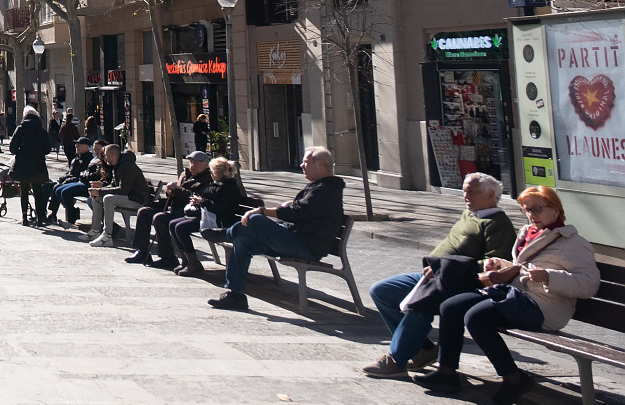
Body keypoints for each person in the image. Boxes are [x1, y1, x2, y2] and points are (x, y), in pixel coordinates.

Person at [418, 186, 600, 404]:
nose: (532, 215)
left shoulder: (573, 242)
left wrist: (548, 276)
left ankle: (514, 379)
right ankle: (446, 373)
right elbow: (520, 267)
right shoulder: (527, 233)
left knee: (476, 317)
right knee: (450, 306)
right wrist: (499, 264)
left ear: (556, 210)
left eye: (538, 209)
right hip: (515, 296)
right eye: (527, 210)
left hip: (544, 307)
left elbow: (589, 284)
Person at [362, 173, 517, 378]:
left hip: (459, 282)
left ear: (490, 195)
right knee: (381, 291)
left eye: (472, 191)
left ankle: (397, 359)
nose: (466, 196)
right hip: (434, 274)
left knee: (421, 303)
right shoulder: (469, 214)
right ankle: (422, 349)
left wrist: (443, 267)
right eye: (464, 191)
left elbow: (494, 266)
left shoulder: (498, 224)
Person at [209, 147, 344, 311]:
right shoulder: (320, 187)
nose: (301, 165)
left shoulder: (327, 190)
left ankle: (226, 233)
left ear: (320, 164)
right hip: (296, 240)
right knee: (243, 241)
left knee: (256, 219)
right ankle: (236, 296)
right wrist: (289, 205)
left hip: (306, 247)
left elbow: (298, 211)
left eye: (306, 162)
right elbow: (302, 210)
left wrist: (263, 211)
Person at [127, 151, 212, 266]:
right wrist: (170, 192)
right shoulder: (185, 174)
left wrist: (177, 190)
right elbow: (176, 193)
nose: (193, 165)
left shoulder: (207, 179)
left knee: (160, 218)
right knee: (144, 212)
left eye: (197, 163)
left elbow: (196, 197)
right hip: (174, 207)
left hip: (188, 212)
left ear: (206, 164)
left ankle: (167, 257)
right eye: (192, 162)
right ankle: (142, 251)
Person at [86, 142, 152, 246]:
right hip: (129, 196)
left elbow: (123, 190)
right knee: (97, 198)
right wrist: (99, 190)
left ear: (111, 155)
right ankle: (95, 231)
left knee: (108, 199)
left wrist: (100, 191)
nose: (104, 158)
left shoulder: (126, 166)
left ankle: (107, 235)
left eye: (105, 156)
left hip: (137, 200)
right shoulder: (118, 165)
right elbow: (114, 185)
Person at [8, 106, 54, 226]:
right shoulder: (42, 131)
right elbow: (48, 149)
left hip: (23, 164)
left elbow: (12, 148)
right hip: (38, 164)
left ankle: (24, 217)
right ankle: (40, 218)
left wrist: (21, 151)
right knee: (37, 191)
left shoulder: (20, 129)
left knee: (24, 191)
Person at [46, 137, 99, 225]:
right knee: (48, 186)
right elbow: (69, 173)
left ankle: (70, 214)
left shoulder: (89, 159)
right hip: (72, 181)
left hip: (82, 183)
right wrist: (62, 179)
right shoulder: (76, 159)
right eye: (76, 144)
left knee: (60, 189)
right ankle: (45, 212)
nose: (76, 146)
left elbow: (80, 176)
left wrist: (66, 181)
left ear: (86, 147)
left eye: (79, 145)